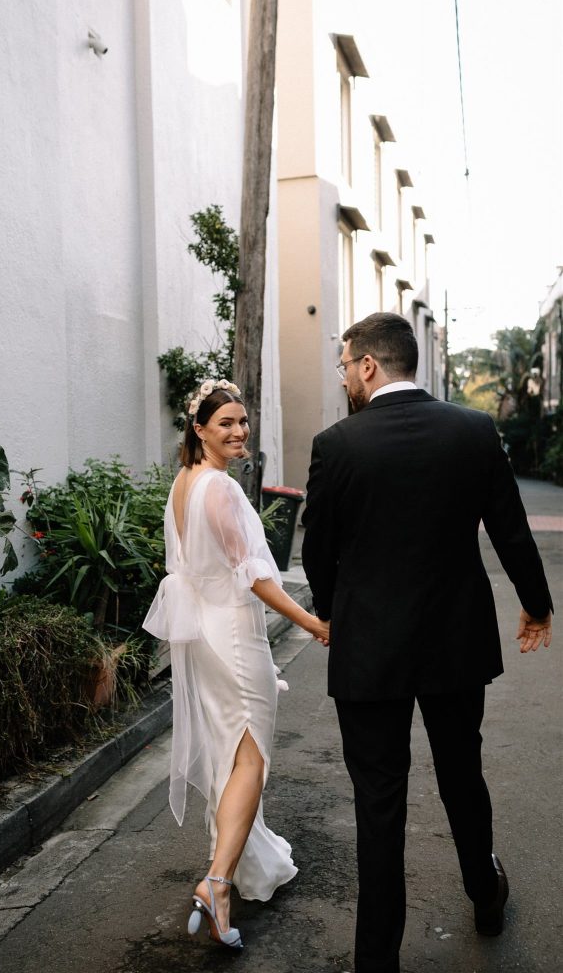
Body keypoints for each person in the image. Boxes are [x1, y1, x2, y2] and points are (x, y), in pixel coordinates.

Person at [301, 312, 553, 973]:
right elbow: (509, 528)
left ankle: (376, 959)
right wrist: (536, 604)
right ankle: (484, 892)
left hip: (369, 648)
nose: (344, 377)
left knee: (378, 803)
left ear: (367, 365)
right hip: (453, 641)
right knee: (461, 773)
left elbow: (318, 550)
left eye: (344, 365)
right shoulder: (473, 430)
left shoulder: (336, 445)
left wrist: (330, 613)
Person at [144, 377, 329, 950]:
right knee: (251, 756)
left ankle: (239, 862)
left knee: (233, 753)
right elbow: (253, 575)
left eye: (243, 421)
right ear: (199, 430)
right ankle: (218, 882)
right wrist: (312, 622)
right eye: (225, 423)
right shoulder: (219, 488)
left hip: (206, 632)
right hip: (232, 634)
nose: (239, 431)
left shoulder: (185, 482)